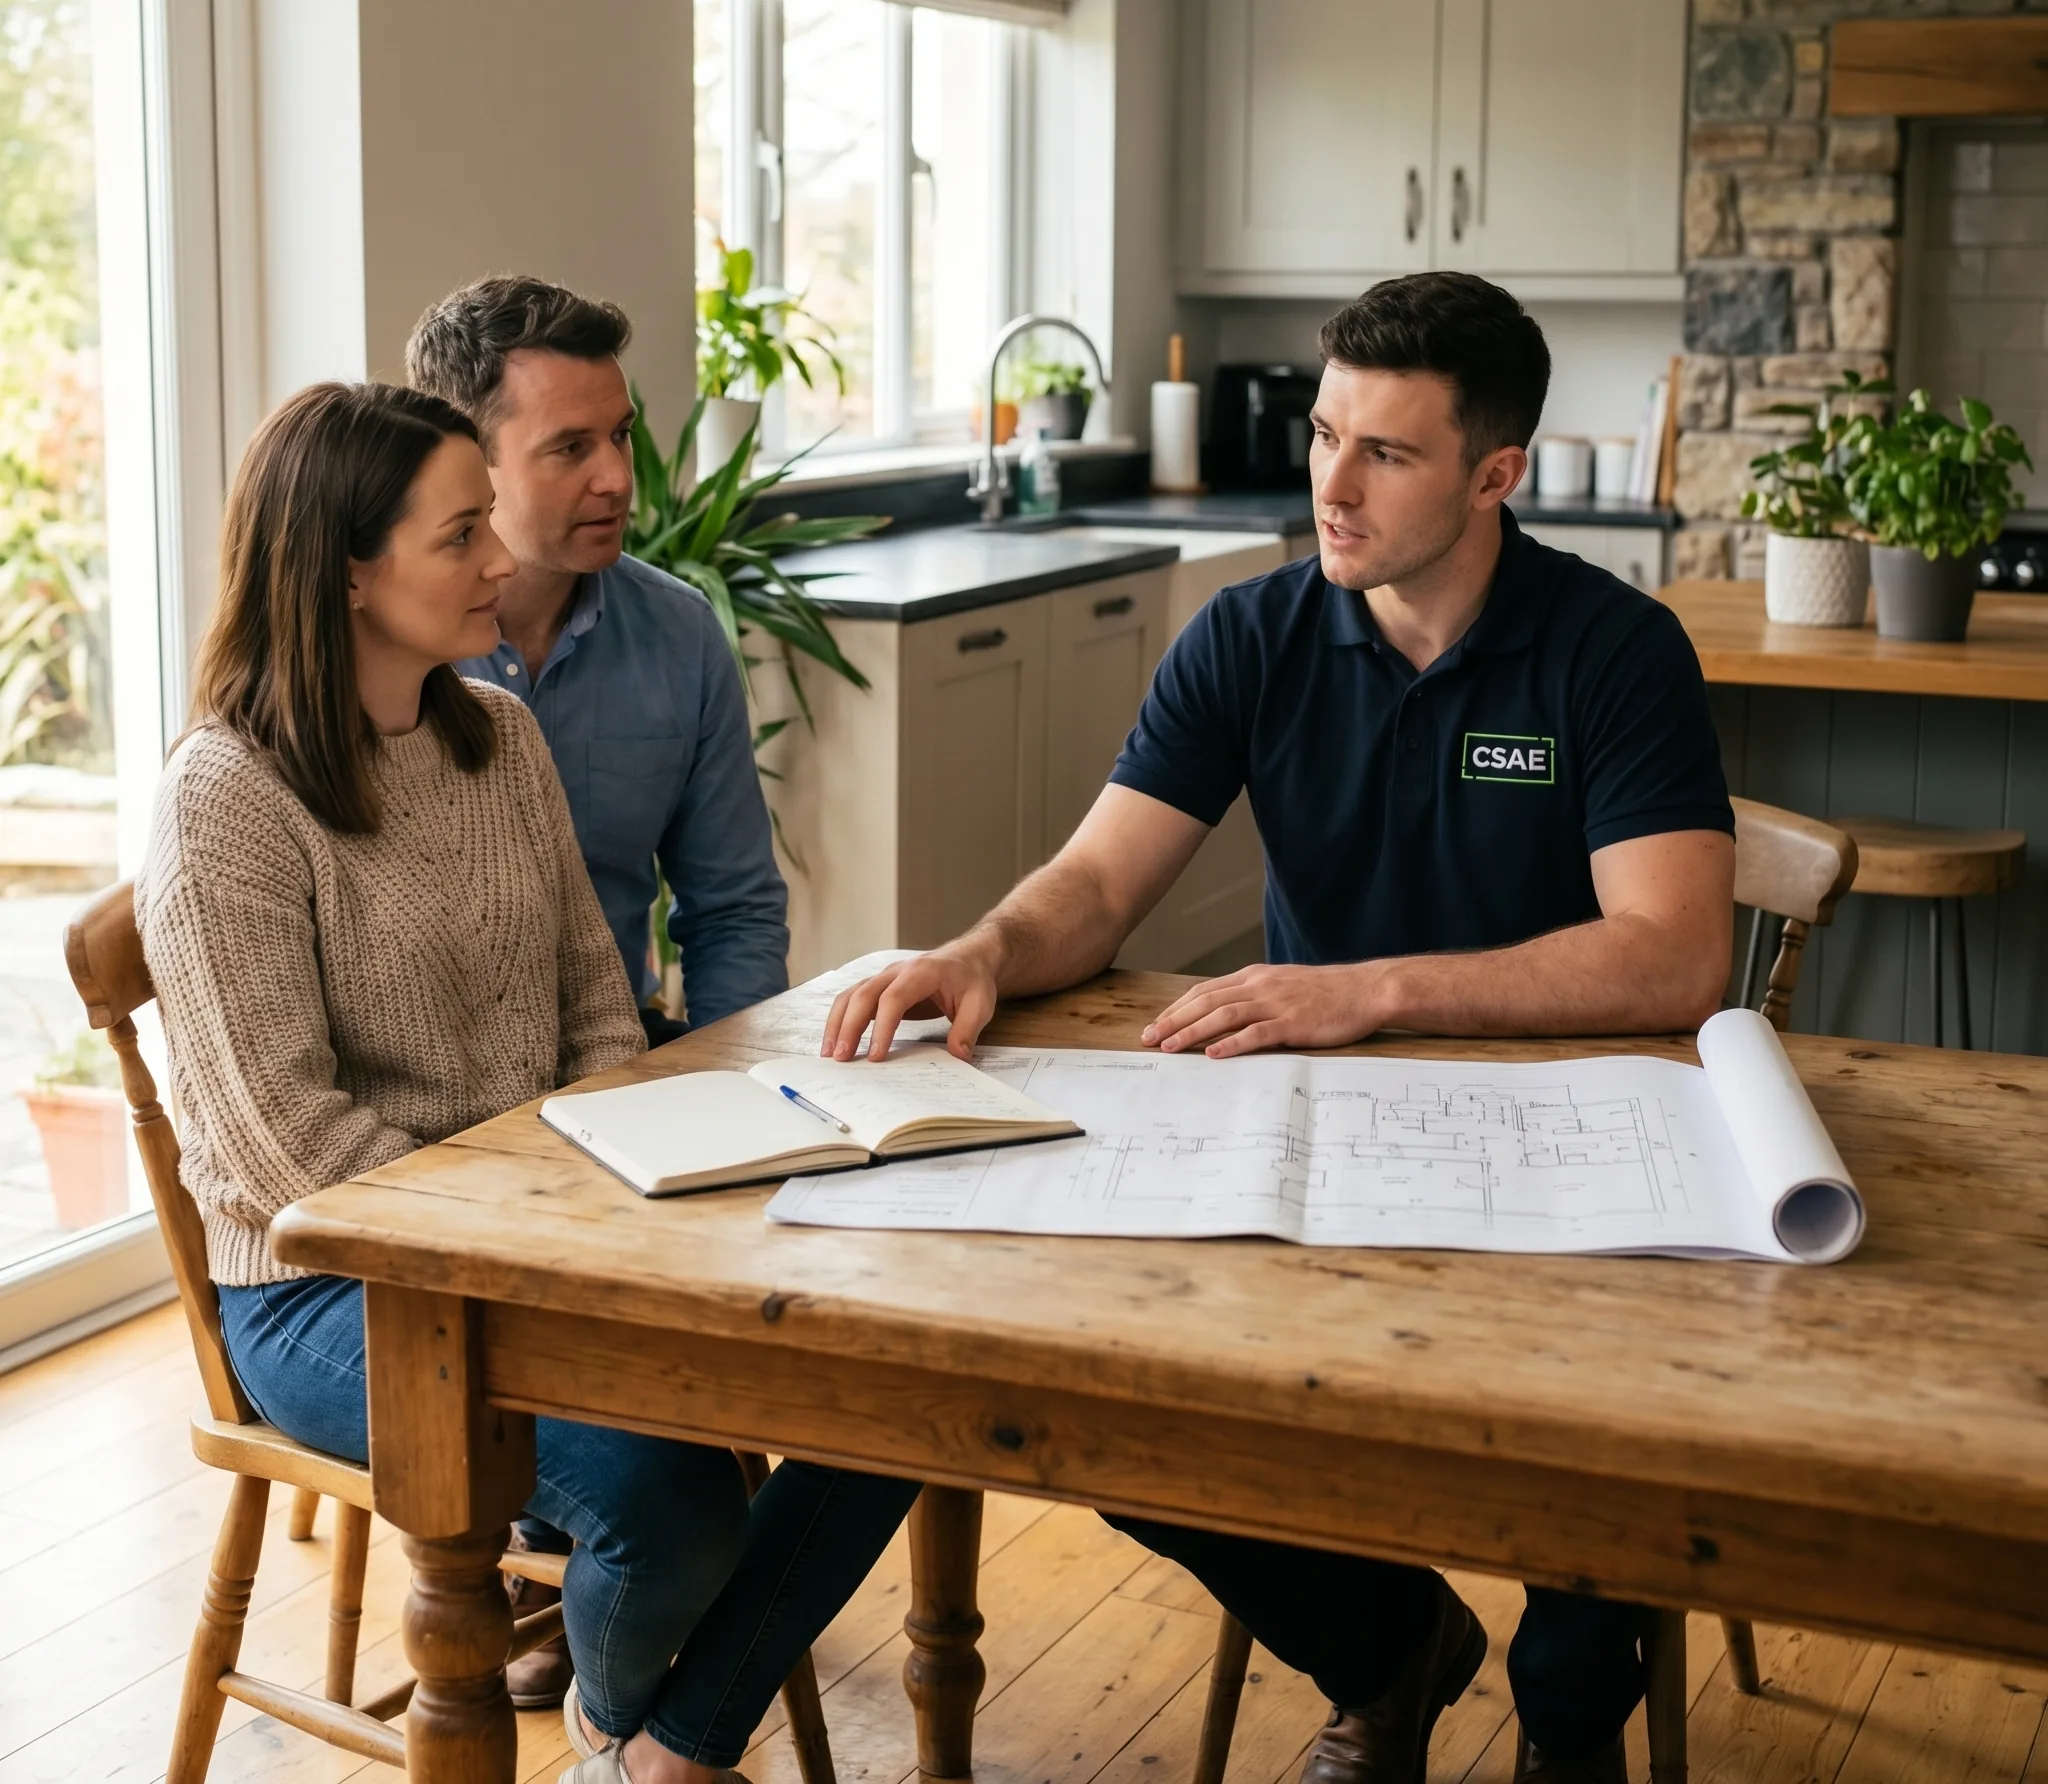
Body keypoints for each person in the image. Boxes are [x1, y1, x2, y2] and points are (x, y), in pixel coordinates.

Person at [818, 274, 1736, 1784]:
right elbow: (1101, 884)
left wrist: (1371, 989)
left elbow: (1674, 955)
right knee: (1098, 1398)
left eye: (1386, 452)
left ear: (1495, 474)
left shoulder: (1613, 649)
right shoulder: (1248, 636)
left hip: (1576, 1155)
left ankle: (1567, 1719)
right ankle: (1390, 1650)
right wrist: (982, 946)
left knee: (1591, 1517)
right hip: (1312, 1139)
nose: (1330, 481)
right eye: (1324, 433)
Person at [137, 382, 915, 1784]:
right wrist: (546, 1245)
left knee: (896, 1386)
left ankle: (651, 1751)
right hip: (328, 1287)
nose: (501, 561)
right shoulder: (227, 799)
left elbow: (597, 1021)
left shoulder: (499, 739)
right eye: (459, 537)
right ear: (347, 573)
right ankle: (639, 1738)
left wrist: (612, 1216)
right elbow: (289, 1151)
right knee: (667, 1506)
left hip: (547, 1235)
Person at [406, 274, 789, 1048]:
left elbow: (733, 911)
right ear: (463, 462)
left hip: (619, 1063)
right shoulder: (388, 660)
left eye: (619, 435)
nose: (617, 478)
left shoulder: (681, 637)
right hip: (436, 1102)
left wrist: (729, 1094)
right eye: (570, 449)